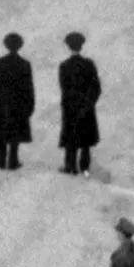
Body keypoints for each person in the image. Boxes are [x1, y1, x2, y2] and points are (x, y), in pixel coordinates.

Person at [0, 33, 36, 173]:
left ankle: (0, 160)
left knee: (1, 132)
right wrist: (30, 105)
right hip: (18, 103)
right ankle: (13, 161)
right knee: (15, 133)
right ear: (19, 46)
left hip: (1, 102)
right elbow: (29, 87)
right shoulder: (25, 64)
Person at [57, 33, 101, 177]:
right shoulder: (89, 64)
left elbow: (64, 89)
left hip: (71, 108)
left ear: (69, 46)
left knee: (71, 138)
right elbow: (96, 87)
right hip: (87, 108)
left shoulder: (64, 66)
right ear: (81, 45)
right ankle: (85, 168)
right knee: (86, 141)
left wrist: (71, 104)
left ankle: (70, 167)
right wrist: (89, 103)